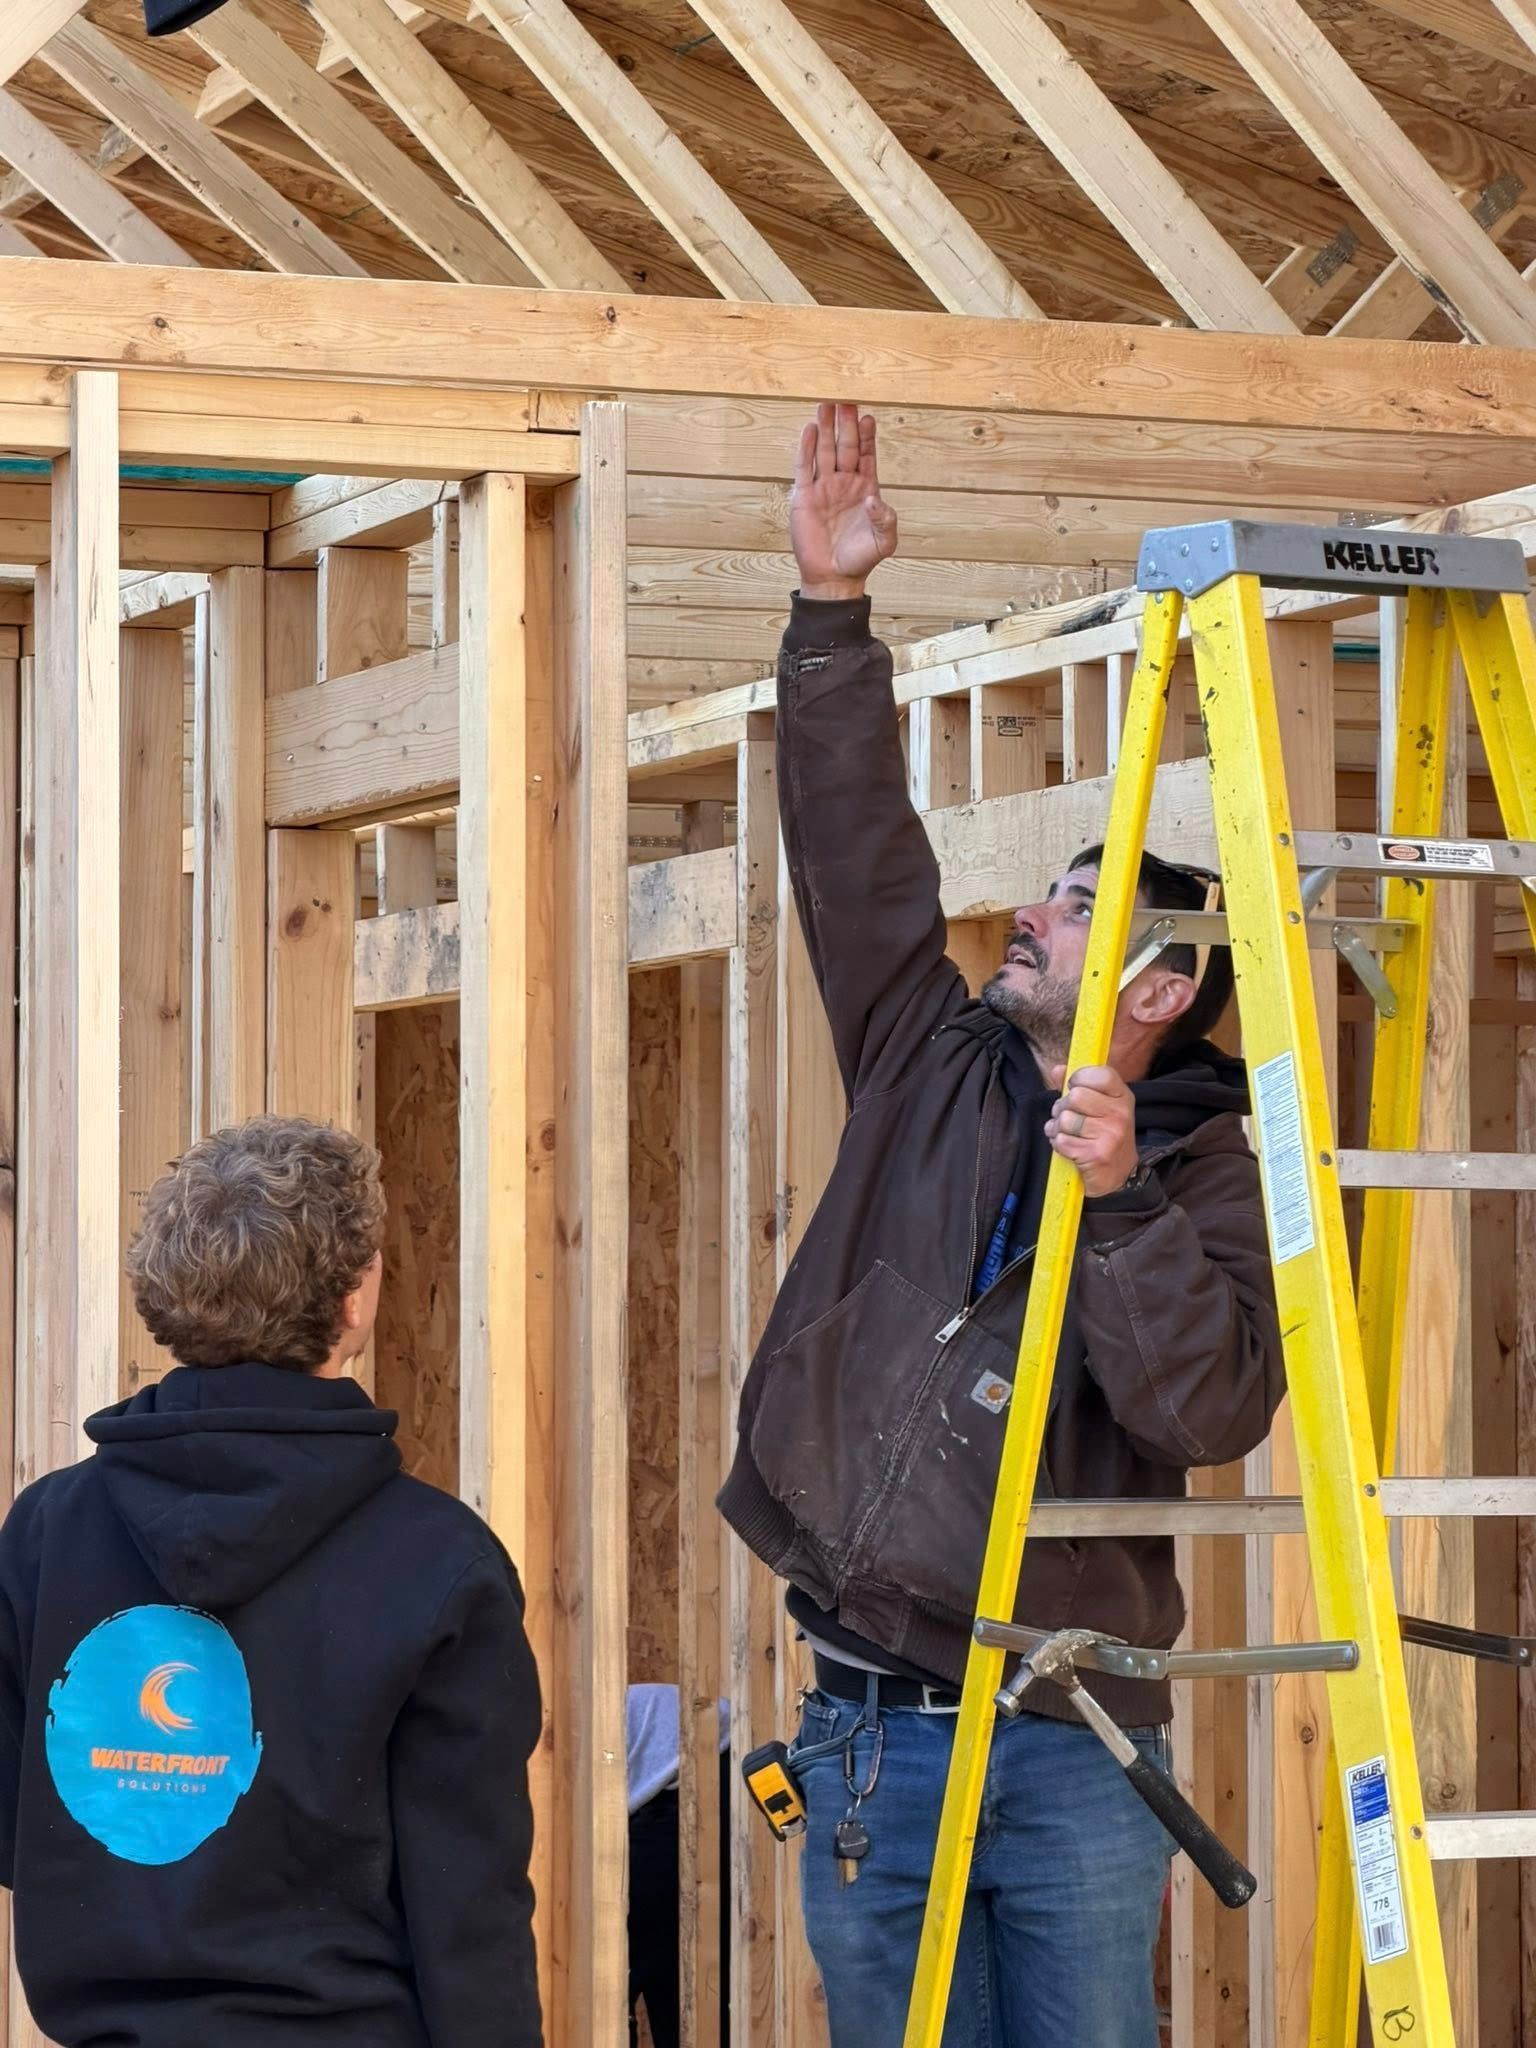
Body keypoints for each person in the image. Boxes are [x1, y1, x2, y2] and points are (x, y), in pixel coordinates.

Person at [717, 404, 1286, 2048]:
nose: (1030, 913)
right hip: (866, 1721)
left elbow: (1202, 1411)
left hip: (1073, 1734)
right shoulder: (930, 1057)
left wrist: (1115, 1207)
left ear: (1162, 986)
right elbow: (856, 860)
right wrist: (831, 616)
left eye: (1075, 903)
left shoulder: (1215, 1175)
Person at [0, 1115, 542, 2048]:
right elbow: (469, 1915)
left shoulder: (49, 1531)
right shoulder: (439, 1562)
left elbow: (27, 1825)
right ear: (356, 1298)